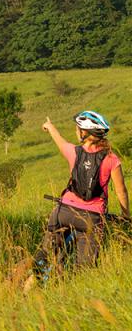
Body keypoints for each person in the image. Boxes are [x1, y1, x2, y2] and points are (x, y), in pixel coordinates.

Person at [36, 110, 129, 273]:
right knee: (84, 270)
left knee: (43, 257)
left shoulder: (73, 151)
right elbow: (121, 192)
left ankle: (32, 279)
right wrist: (126, 216)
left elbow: (59, 139)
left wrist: (49, 126)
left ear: (83, 132)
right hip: (91, 219)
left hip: (63, 212)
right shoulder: (111, 158)